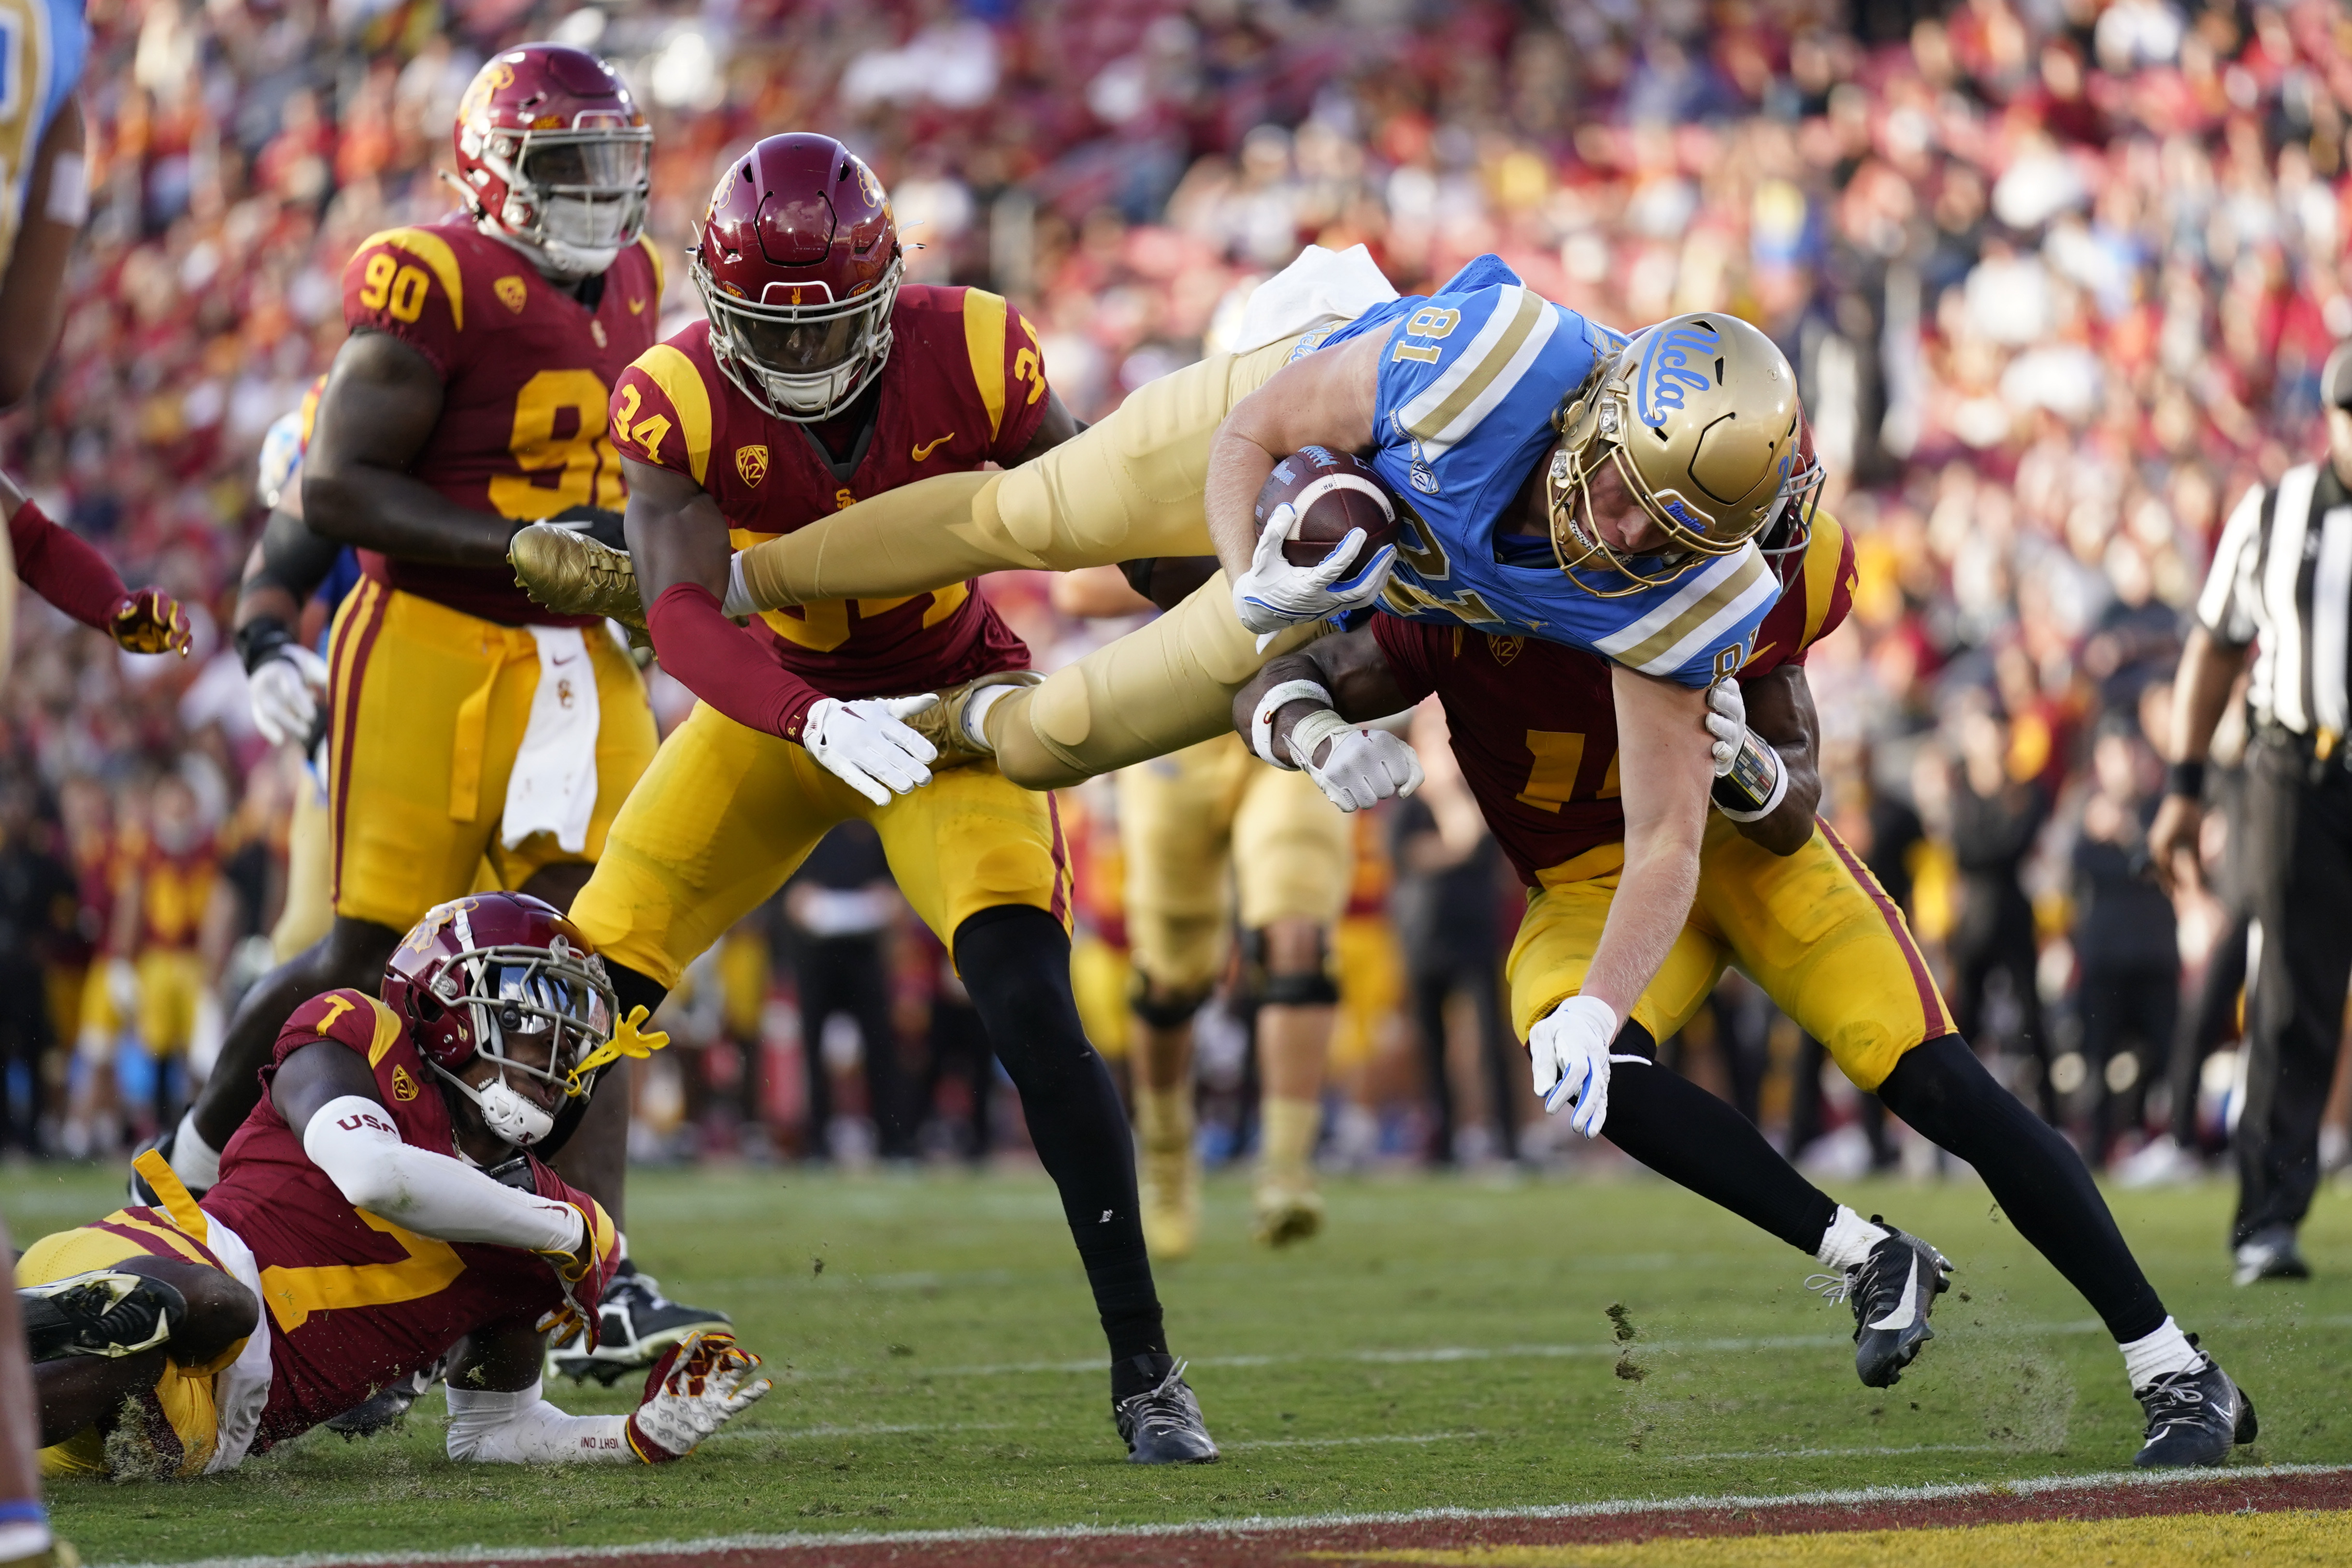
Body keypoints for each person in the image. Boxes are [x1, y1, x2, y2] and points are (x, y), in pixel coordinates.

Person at [521, 254, 1812, 1154]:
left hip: (1330, 587)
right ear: (1599, 411)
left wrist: (1599, 1000)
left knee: (1042, 738)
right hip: (1277, 488)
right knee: (1021, 512)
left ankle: (933, 721)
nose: (1627, 531)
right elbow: (1254, 429)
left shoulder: (1680, 596)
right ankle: (729, 579)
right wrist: (1245, 567)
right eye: (1627, 488)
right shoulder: (1486, 363)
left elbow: (1665, 842)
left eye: (1673, 527)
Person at [1232, 500, 2258, 1468]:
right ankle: (1864, 1256)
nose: (1677, 540)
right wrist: (1306, 729)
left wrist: (1758, 773)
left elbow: (1793, 792)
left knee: (1936, 1083)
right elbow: (1275, 675)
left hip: (1744, 858)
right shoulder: (1470, 569)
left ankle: (2174, 1366)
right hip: (1593, 879)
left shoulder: (1747, 560)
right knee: (1579, 1060)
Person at [521, 133, 1215, 1462]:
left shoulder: (979, 348)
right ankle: (464, 1328)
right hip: (774, 710)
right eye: (765, 336)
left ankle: (1145, 1365)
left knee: (1028, 998)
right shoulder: (669, 392)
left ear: (887, 286)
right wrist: (805, 714)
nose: (793, 362)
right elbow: (677, 614)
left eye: (826, 327)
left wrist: (1259, 607)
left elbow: (1101, 520)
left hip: (947, 705)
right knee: (578, 1004)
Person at [149, 43, 723, 1380]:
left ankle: (595, 1275)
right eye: (566, 162)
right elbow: (338, 488)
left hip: (578, 662)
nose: (596, 190)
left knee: (599, 960)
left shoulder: (637, 276)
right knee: (356, 956)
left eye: (609, 162)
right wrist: (516, 544)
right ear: (495, 168)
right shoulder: (433, 272)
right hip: (427, 639)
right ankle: (179, 1177)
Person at [15, 892, 766, 1479]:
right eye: (536, 1021)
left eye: (572, 1036)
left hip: (198, 1430)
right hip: (148, 1259)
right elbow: (376, 1175)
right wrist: (555, 1228)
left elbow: (493, 1431)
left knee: (179, 1343)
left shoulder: (542, 1231)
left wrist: (634, 1434)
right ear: (450, 1012)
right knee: (213, 1304)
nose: (561, 1053)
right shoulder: (356, 1036)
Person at [1051, 561, 1353, 1254]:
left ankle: (1285, 1169)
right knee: (1172, 974)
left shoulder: (1326, 445)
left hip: (1303, 699)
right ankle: (1166, 1161)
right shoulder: (1162, 457)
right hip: (1176, 716)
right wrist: (1243, 573)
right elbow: (1077, 586)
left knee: (1297, 928)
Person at [2151, 342, 2352, 1286]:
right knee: (2289, 997)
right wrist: (2185, 787)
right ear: (2329, 414)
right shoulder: (2272, 514)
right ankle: (2267, 1218)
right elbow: (2215, 647)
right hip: (2296, 771)